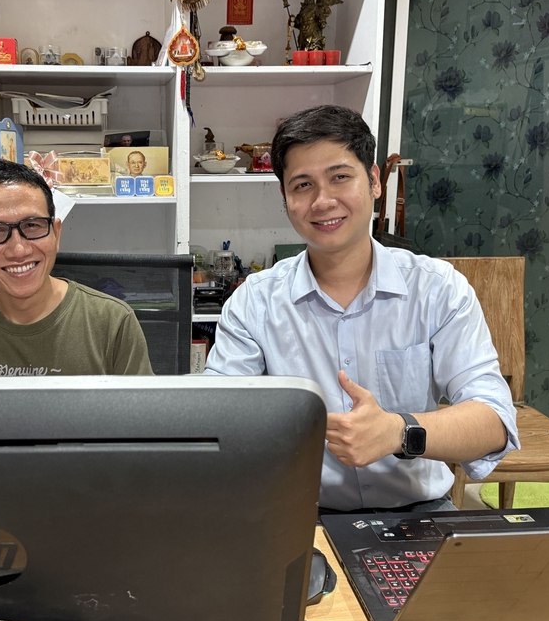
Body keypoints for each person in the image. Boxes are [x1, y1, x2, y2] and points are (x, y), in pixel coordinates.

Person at [204, 105, 519, 513]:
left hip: (417, 512)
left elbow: (494, 421)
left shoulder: (437, 289)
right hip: (295, 514)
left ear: (373, 181)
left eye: (339, 177)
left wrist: (398, 431)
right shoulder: (254, 302)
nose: (322, 201)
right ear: (285, 199)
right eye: (302, 185)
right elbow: (216, 419)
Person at [0, 158, 153, 377]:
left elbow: (142, 411)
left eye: (32, 225)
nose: (18, 250)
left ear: (56, 234)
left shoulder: (113, 323)